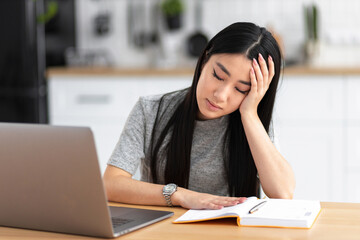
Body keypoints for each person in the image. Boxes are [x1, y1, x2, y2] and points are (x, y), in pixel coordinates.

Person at [103, 22, 295, 210]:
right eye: (218, 75)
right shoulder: (150, 110)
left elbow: (283, 193)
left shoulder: (252, 119)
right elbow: (111, 184)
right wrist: (181, 196)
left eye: (240, 89)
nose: (220, 95)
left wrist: (250, 114)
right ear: (204, 60)